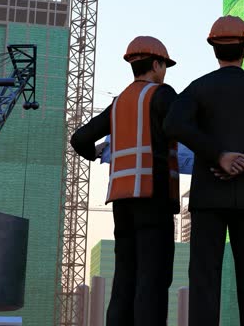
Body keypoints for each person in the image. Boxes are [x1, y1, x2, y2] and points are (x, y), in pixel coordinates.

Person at [163, 15, 244, 326]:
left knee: (204, 280)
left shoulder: (198, 88)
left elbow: (173, 124)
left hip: (208, 197)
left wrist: (218, 156)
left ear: (213, 49)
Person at [69, 36, 179, 326]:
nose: (164, 71)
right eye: (164, 65)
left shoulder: (119, 104)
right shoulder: (162, 95)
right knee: (152, 278)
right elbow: (187, 126)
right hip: (153, 197)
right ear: (155, 64)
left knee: (125, 276)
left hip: (121, 201)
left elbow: (79, 138)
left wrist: (93, 154)